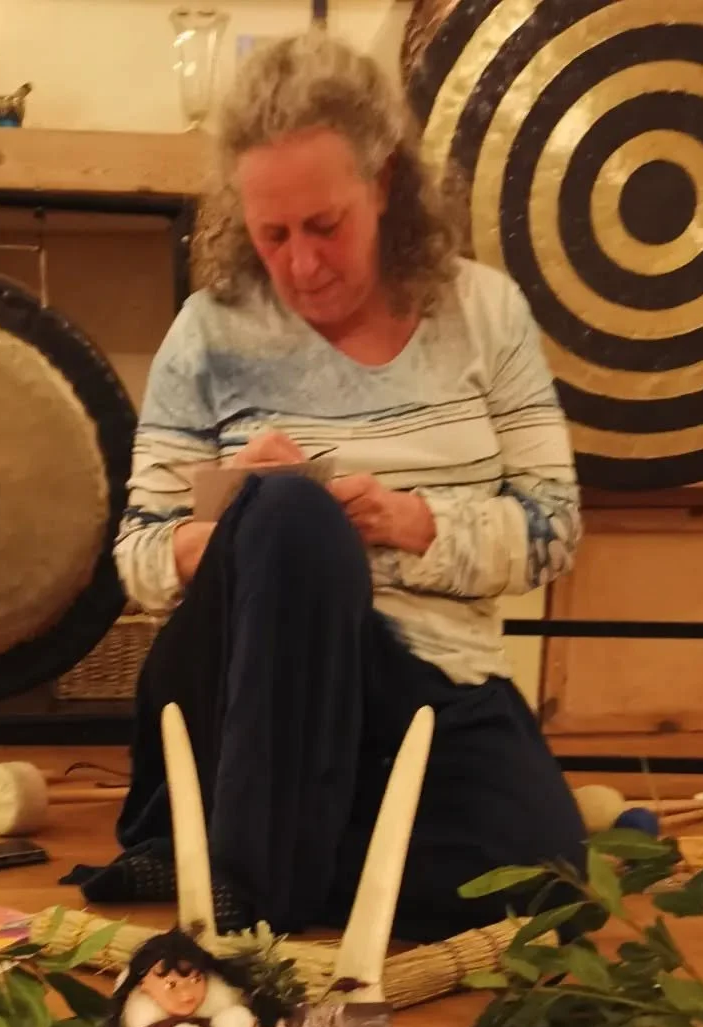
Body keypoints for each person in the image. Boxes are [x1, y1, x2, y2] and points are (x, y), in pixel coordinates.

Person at [76, 30, 585, 941]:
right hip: (244, 689)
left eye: (325, 226)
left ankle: (225, 857)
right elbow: (141, 556)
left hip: (428, 679)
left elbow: (553, 528)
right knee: (289, 516)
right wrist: (245, 527)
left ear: (385, 183)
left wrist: (405, 521)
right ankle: (254, 894)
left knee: (549, 878)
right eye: (272, 235)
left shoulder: (487, 313)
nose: (302, 264)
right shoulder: (208, 333)